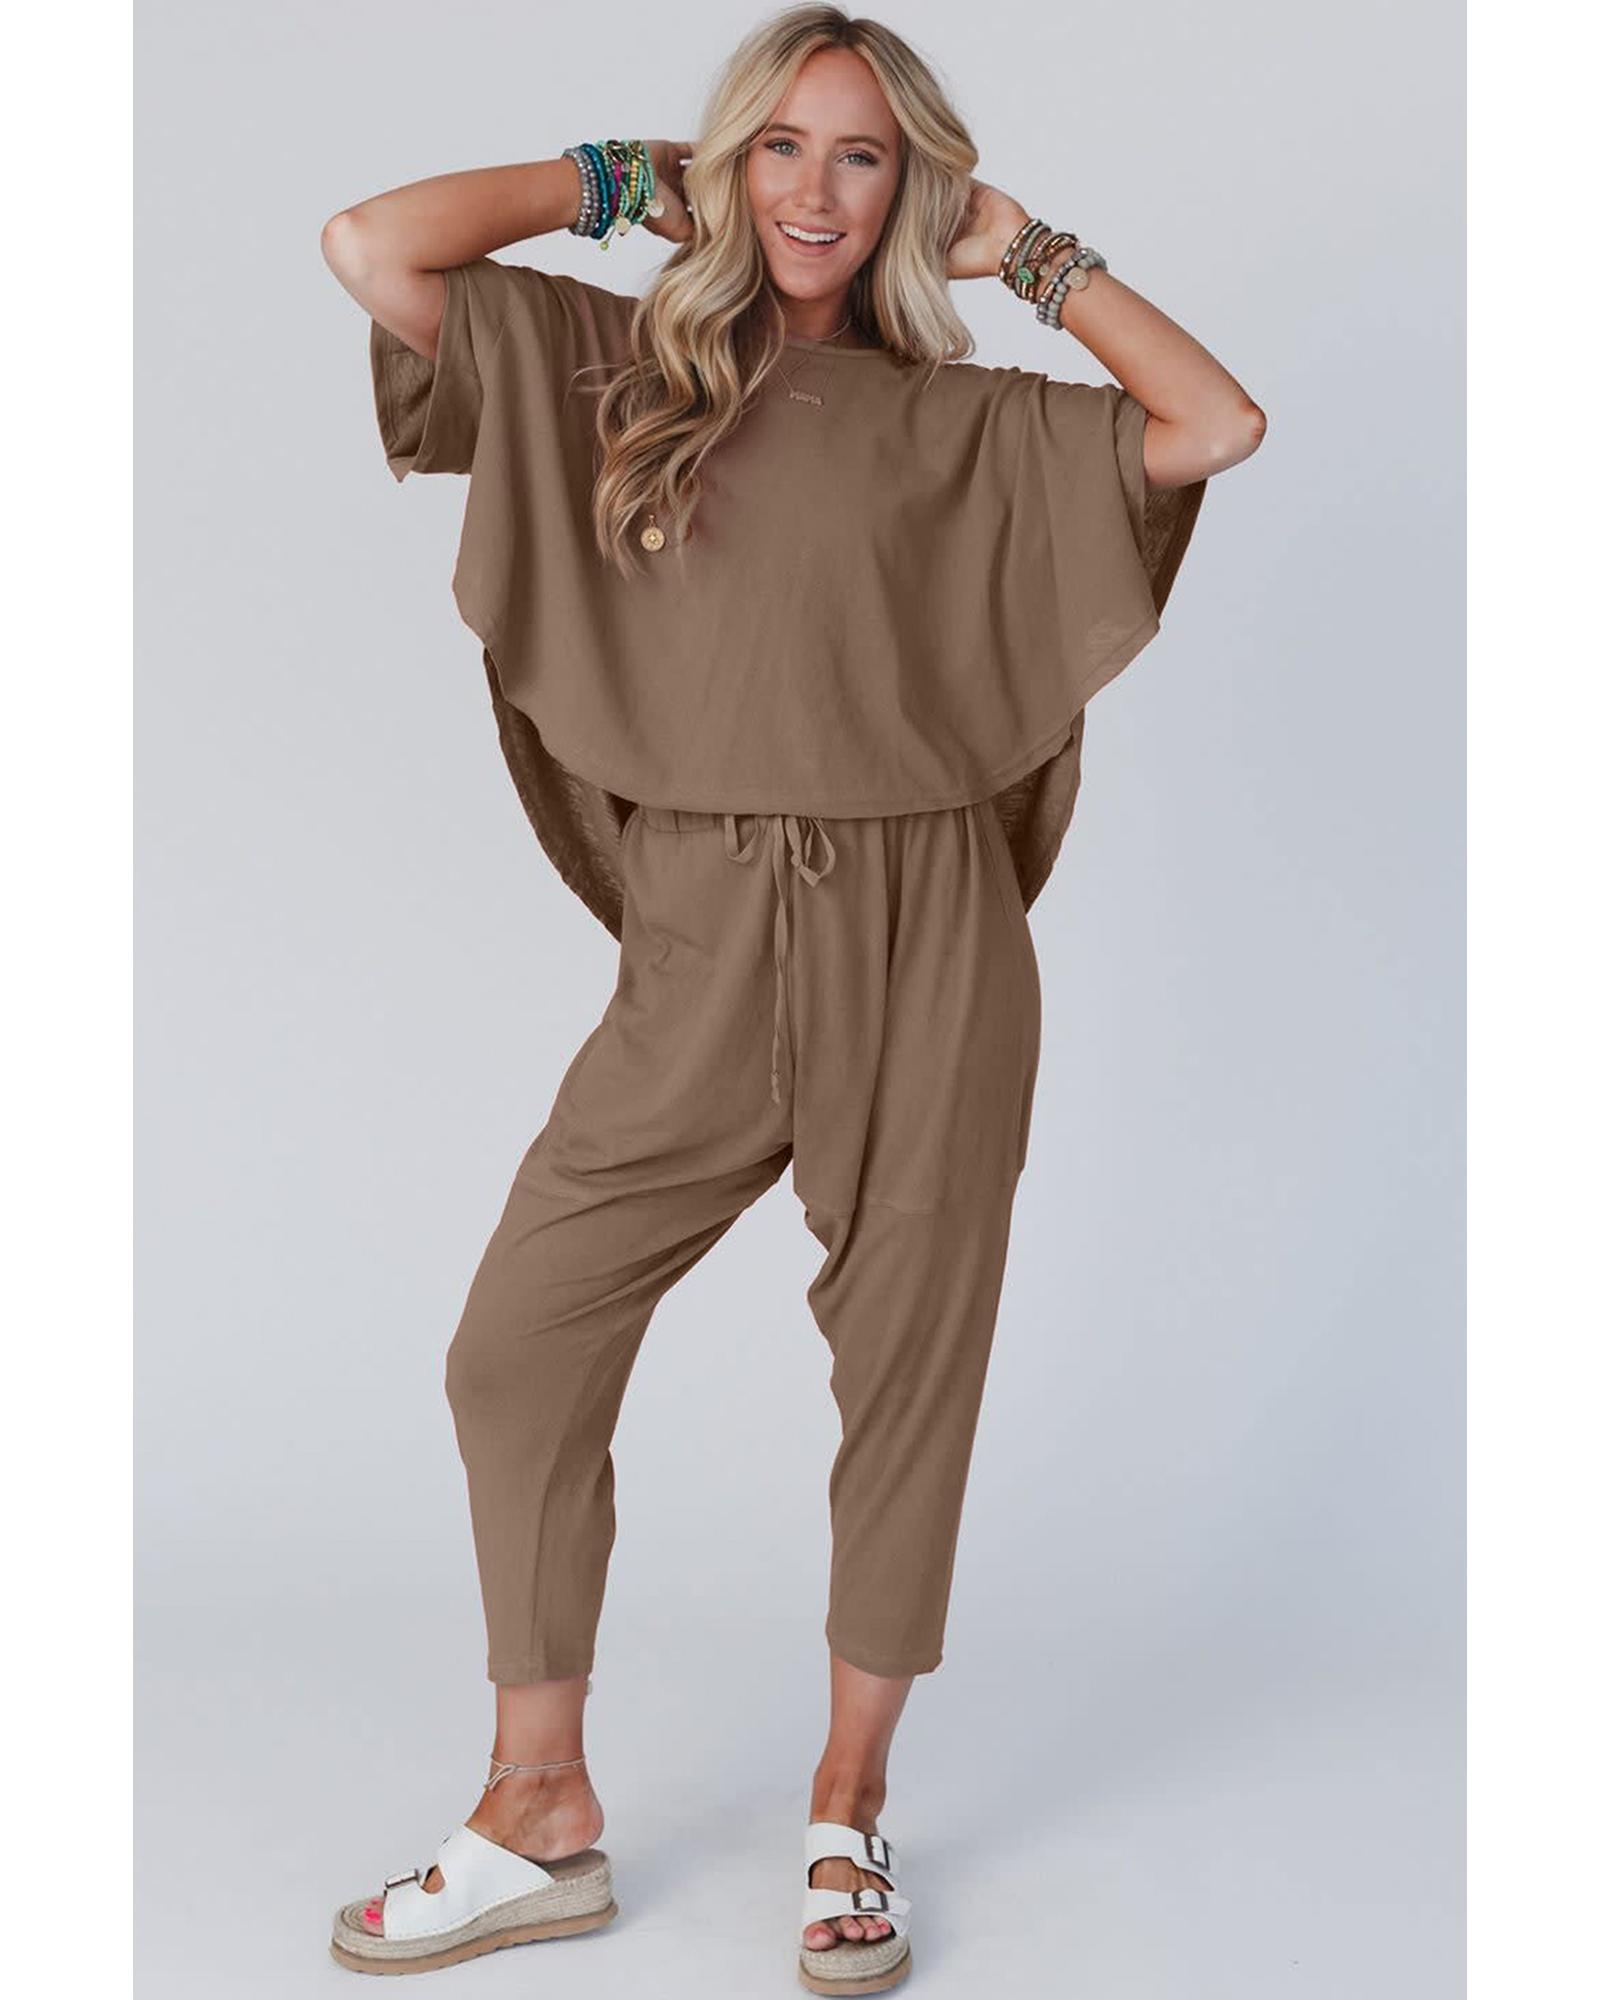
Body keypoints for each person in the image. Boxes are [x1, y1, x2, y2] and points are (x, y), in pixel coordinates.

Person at [320, 4, 1263, 1987]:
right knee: (517, 1345)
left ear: (912, 185)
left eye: (862, 155)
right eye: (779, 148)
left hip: (929, 934)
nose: (817, 191)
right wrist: (612, 187)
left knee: (906, 1370)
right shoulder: (607, 364)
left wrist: (1031, 254)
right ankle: (536, 1804)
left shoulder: (969, 423)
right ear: (725, 166)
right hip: (699, 929)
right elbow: (373, 244)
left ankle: (847, 1810)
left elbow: (1212, 425)